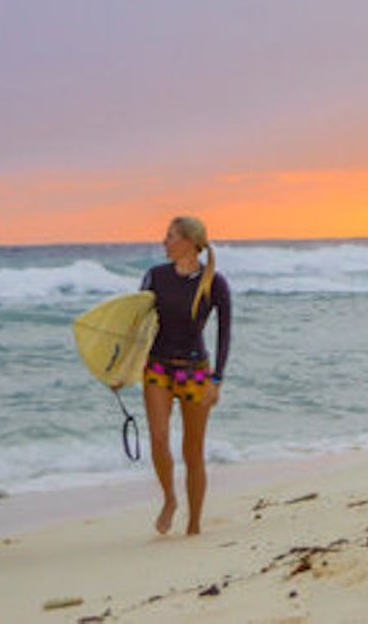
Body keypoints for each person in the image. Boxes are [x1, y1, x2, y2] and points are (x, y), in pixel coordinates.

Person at [140, 215, 232, 536]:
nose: (164, 242)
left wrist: (217, 379)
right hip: (157, 368)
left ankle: (194, 525)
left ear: (189, 243)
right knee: (159, 437)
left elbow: (225, 334)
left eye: (170, 237)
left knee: (193, 452)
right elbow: (134, 325)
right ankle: (169, 499)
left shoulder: (215, 282)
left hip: (195, 372)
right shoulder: (154, 276)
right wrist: (117, 369)